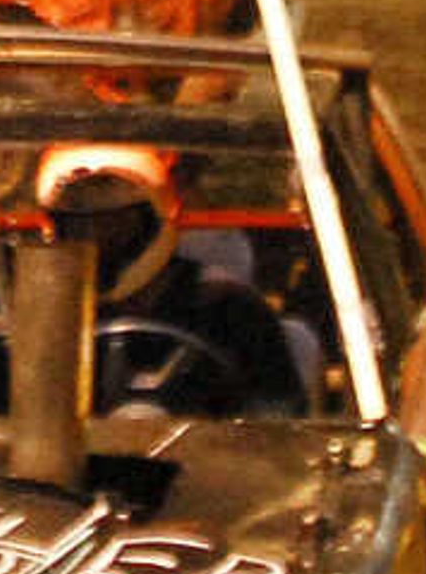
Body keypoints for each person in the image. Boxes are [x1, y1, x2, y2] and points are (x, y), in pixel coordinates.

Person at [35, 143, 300, 414]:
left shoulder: (229, 308)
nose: (96, 238)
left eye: (113, 224)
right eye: (78, 226)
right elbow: (11, 420)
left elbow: (277, 413)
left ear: (152, 222)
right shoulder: (51, 317)